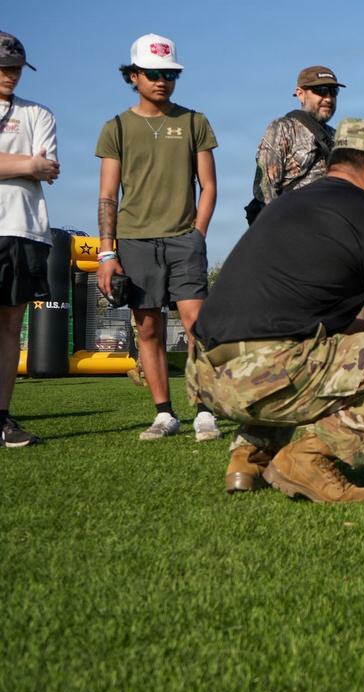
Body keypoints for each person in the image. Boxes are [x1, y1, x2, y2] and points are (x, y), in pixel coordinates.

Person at [187, 118, 364, 502]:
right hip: (264, 373)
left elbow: (299, 315)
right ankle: (309, 459)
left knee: (307, 345)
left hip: (207, 377)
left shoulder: (285, 205)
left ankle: (250, 456)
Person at [95, 33, 221, 441]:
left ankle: (205, 411)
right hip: (133, 242)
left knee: (197, 324)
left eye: (170, 73)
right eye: (153, 73)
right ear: (133, 75)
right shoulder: (115, 126)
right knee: (147, 328)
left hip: (184, 239)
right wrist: (106, 253)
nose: (162, 80)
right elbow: (107, 196)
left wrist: (197, 234)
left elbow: (209, 186)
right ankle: (165, 414)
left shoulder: (194, 121)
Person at [0, 31, 58, 447]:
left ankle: (2, 418)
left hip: (23, 228)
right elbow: (35, 164)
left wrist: (30, 166)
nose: (11, 74)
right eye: (5, 67)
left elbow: (49, 169)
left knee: (9, 328)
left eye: (17, 67)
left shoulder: (38, 112)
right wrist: (27, 163)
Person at [248, 65, 343, 221]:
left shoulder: (337, 136)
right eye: (321, 90)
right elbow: (265, 187)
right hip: (290, 227)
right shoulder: (282, 128)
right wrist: (275, 229)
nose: (328, 98)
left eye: (333, 92)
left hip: (328, 229)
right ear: (300, 94)